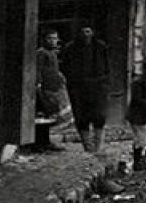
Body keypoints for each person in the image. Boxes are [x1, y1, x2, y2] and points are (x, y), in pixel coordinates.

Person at [61, 21, 111, 153]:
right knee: (82, 117)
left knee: (99, 116)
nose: (85, 35)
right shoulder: (70, 49)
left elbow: (107, 67)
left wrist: (104, 82)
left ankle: (98, 147)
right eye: (82, 32)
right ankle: (88, 148)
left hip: (98, 87)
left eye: (88, 31)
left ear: (92, 32)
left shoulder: (100, 47)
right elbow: (65, 67)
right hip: (79, 88)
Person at [32, 27, 68, 152]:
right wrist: (38, 84)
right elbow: (38, 70)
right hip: (44, 88)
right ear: (44, 40)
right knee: (41, 116)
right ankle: (39, 143)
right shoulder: (41, 53)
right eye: (50, 38)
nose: (53, 41)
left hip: (53, 88)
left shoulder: (53, 53)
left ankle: (46, 141)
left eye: (55, 38)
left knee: (49, 117)